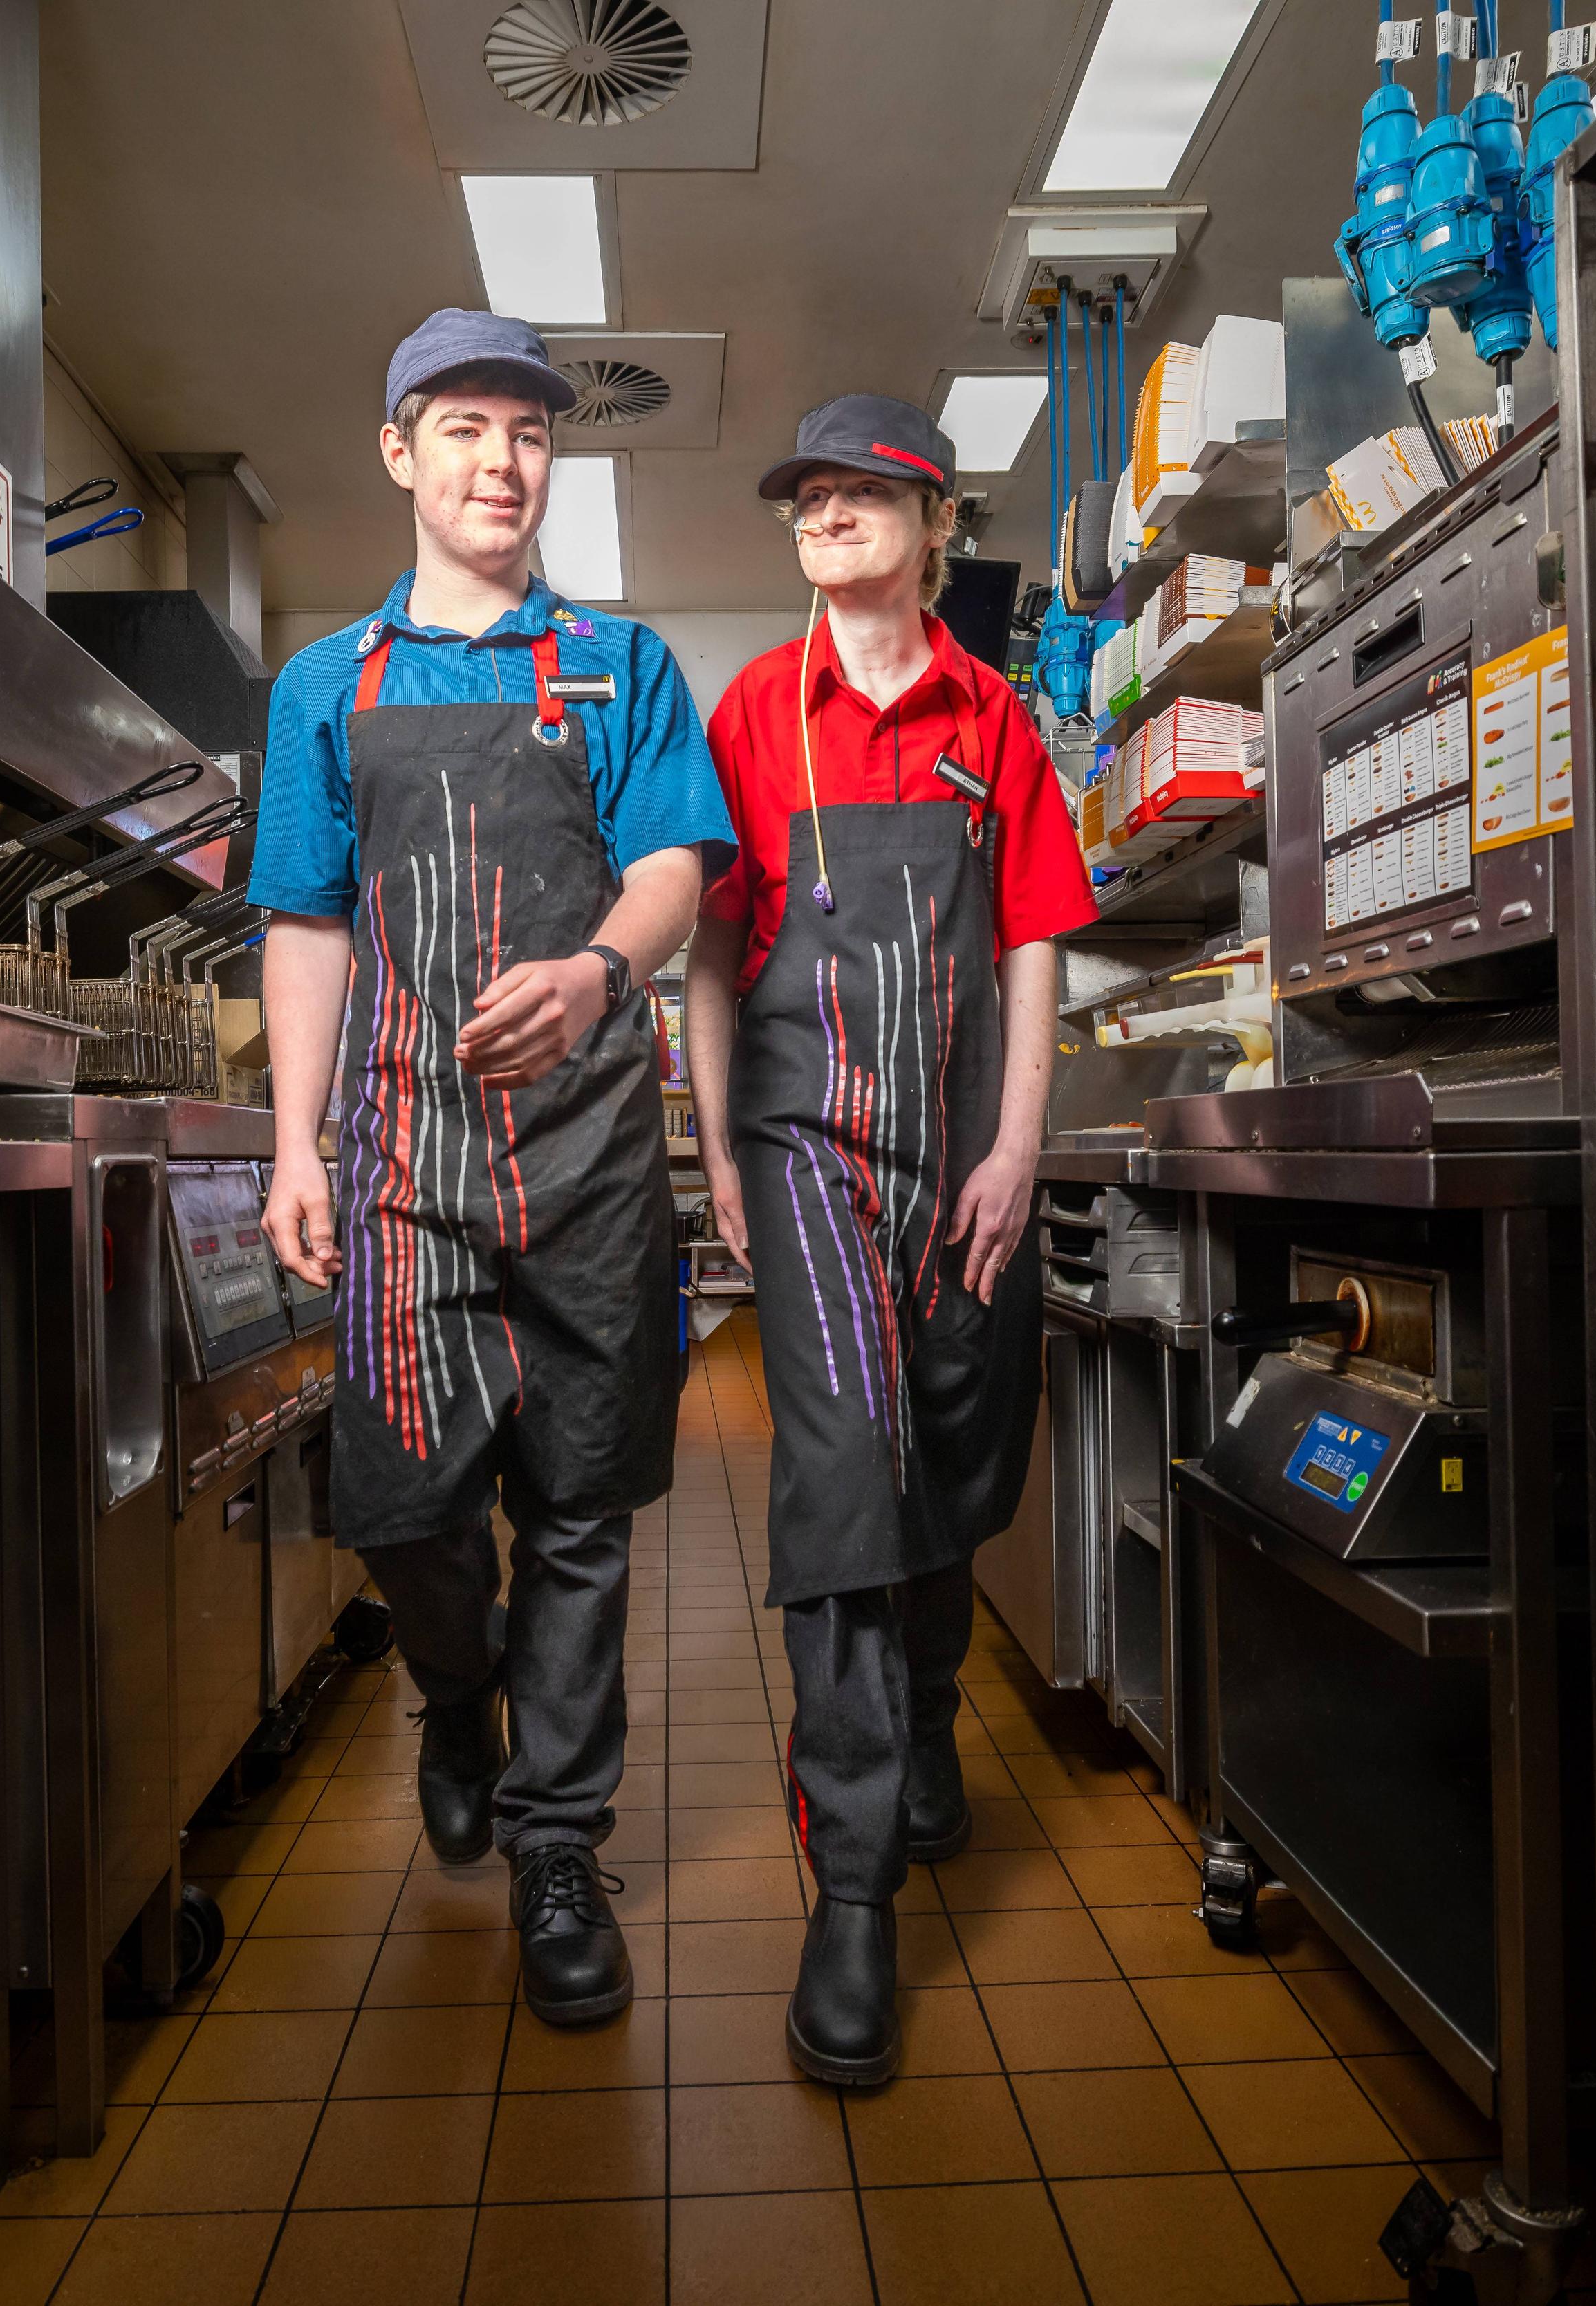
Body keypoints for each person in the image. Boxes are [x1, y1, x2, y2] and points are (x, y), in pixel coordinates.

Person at [253, 308, 732, 2026]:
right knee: (412, 1502)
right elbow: (304, 925)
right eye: (461, 427)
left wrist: (601, 967)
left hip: (595, 1159)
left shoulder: (618, 662)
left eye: (526, 433)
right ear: (399, 452)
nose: (498, 461)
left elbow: (676, 864)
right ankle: (457, 1693)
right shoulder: (331, 684)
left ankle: (553, 1838)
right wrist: (292, 1138)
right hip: (399, 1160)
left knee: (583, 1513)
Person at [683, 394, 1095, 2084]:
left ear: (937, 525)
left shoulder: (993, 719)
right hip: (799, 1141)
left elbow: (1032, 946)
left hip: (960, 1142)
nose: (832, 513)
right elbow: (711, 954)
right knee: (847, 1468)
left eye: (870, 492)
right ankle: (849, 1890)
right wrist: (713, 1143)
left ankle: (928, 1709)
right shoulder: (746, 714)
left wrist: (1016, 1144)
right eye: (812, 495)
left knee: (950, 1440)